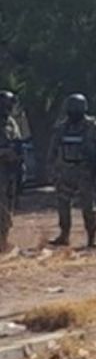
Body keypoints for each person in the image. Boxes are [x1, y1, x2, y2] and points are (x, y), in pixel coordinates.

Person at [47, 94, 96, 249]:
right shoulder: (62, 128)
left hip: (85, 172)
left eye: (76, 109)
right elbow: (53, 149)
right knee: (63, 205)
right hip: (65, 172)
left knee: (88, 206)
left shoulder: (92, 127)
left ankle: (92, 237)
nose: (73, 112)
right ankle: (64, 235)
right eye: (71, 109)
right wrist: (51, 170)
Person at [0, 90, 22, 254]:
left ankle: (3, 241)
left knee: (8, 208)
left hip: (9, 173)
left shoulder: (11, 123)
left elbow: (17, 143)